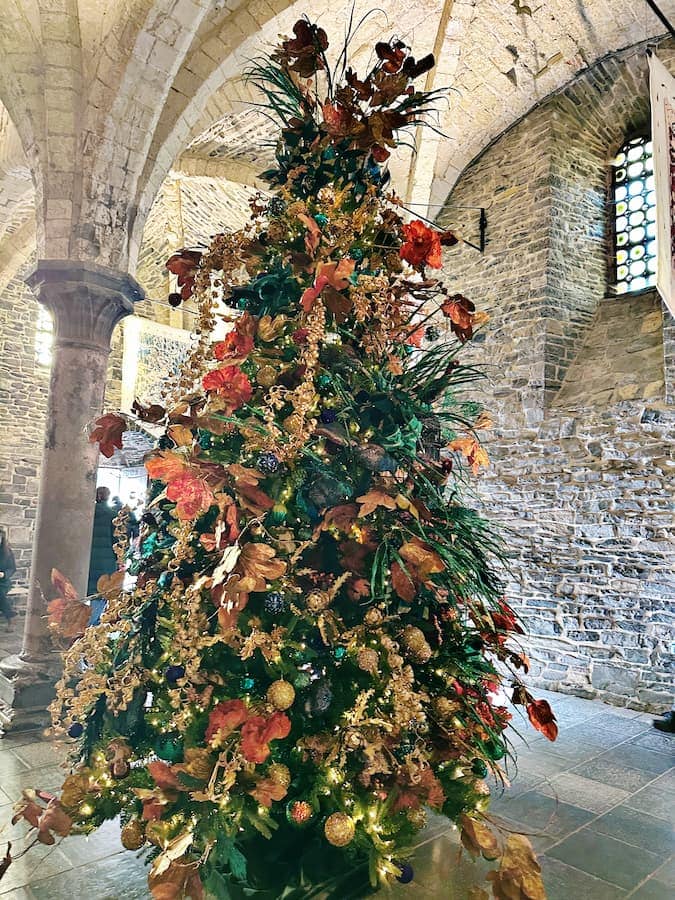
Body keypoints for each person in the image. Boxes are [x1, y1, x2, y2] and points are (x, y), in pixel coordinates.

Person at [87, 487, 118, 625]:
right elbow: (117, 541)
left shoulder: (87, 513)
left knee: (90, 588)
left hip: (89, 558)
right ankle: (94, 623)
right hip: (107, 559)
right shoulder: (112, 514)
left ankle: (84, 622)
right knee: (103, 590)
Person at [0, 528, 17, 630]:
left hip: (3, 582)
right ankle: (11, 615)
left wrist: (4, 574)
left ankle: (11, 617)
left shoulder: (7, 552)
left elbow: (12, 568)